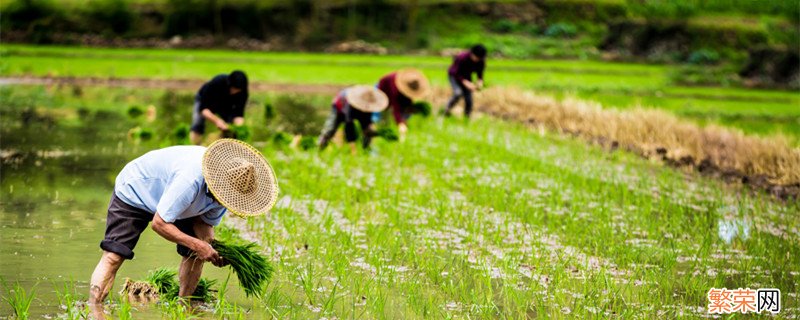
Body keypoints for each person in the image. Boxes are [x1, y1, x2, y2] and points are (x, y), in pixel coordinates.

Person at [88, 139, 278, 318]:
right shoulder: (190, 179)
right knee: (114, 256)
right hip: (136, 190)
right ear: (217, 184)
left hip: (178, 205)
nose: (226, 202)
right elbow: (159, 223)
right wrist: (197, 245)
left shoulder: (227, 193)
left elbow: (203, 224)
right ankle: (93, 311)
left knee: (197, 254)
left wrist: (212, 248)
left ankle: (183, 307)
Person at [318, 85, 389, 154]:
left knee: (368, 130)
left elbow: (367, 123)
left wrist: (376, 133)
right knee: (330, 129)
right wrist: (353, 150)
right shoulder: (350, 105)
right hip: (339, 108)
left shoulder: (369, 107)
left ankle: (366, 149)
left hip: (355, 109)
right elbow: (349, 126)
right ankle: (319, 148)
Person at [190, 71, 249, 145]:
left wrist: (238, 128)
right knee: (198, 125)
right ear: (229, 84)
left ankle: (223, 149)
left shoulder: (243, 91)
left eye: (238, 90)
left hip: (226, 104)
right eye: (234, 89)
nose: (235, 92)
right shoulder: (217, 82)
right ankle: (195, 147)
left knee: (230, 130)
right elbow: (204, 109)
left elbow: (239, 113)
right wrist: (217, 121)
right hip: (206, 101)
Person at [376, 69, 430, 143]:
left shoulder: (408, 86)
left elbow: (408, 102)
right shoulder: (395, 87)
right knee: (383, 117)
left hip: (395, 93)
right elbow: (396, 107)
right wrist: (400, 122)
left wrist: (404, 119)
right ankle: (382, 134)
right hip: (382, 90)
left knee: (405, 112)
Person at [444, 44, 487, 118]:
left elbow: (480, 73)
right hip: (454, 76)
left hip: (466, 76)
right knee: (458, 93)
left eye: (479, 58)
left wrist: (480, 81)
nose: (477, 60)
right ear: (472, 54)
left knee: (469, 98)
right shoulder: (462, 57)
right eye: (476, 57)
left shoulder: (481, 61)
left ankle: (467, 117)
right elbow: (456, 73)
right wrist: (466, 82)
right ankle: (446, 110)